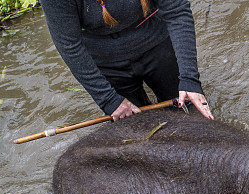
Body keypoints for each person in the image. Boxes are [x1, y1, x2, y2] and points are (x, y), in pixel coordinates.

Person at [41, 0, 214, 121]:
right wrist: (109, 100)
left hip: (158, 44)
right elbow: (70, 45)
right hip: (106, 63)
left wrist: (189, 79)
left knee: (187, 114)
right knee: (136, 132)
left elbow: (177, 12)